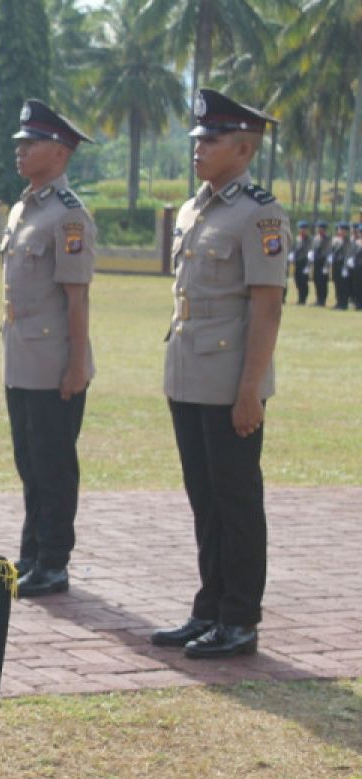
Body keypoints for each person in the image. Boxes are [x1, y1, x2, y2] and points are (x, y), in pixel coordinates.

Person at [150, 88, 290, 659]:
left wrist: (250, 389)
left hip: (231, 376)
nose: (198, 148)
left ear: (244, 147)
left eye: (210, 140)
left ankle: (240, 619)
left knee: (235, 497)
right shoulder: (194, 208)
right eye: (197, 139)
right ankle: (208, 606)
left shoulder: (260, 212)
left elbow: (267, 305)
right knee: (203, 496)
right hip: (188, 370)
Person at [1, 99, 96, 597]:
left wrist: (76, 365)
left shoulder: (68, 217)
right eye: (19, 142)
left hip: (56, 360)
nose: (20, 151)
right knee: (28, 461)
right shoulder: (24, 207)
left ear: (59, 152)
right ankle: (31, 551)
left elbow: (76, 299)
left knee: (53, 464)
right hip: (21, 358)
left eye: (30, 143)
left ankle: (54, 560)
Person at [328, 221, 351, 310]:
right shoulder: (336, 240)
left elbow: (347, 254)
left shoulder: (347, 241)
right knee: (336, 283)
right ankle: (338, 302)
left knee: (343, 285)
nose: (341, 231)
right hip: (336, 265)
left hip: (343, 265)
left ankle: (343, 303)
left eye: (343, 230)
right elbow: (332, 251)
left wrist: (345, 267)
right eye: (340, 229)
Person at [289, 221, 311, 304]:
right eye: (301, 229)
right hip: (297, 262)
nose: (302, 231)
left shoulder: (309, 239)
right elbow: (293, 248)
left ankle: (303, 299)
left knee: (303, 281)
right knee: (297, 280)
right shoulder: (297, 239)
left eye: (304, 229)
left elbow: (310, 251)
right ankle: (299, 298)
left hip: (305, 262)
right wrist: (291, 254)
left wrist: (308, 266)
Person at [309, 220, 330, 306]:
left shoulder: (327, 239)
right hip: (316, 263)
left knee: (323, 282)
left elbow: (327, 252)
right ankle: (318, 299)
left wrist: (326, 265)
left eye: (321, 228)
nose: (319, 230)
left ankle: (322, 300)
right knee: (316, 280)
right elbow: (313, 248)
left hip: (323, 262)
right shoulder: (315, 238)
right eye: (318, 228)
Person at [351, 223, 362, 311]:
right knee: (356, 284)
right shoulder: (356, 242)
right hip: (357, 267)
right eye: (360, 232)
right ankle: (357, 302)